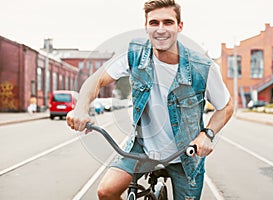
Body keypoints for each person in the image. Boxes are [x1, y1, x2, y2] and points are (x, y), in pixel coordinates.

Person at [66, 0, 234, 199]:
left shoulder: (202, 67)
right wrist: (81, 109)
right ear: (146, 27)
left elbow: (226, 107)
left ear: (179, 27)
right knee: (106, 191)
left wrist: (207, 134)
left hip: (186, 156)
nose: (160, 29)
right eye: (154, 23)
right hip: (142, 148)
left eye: (168, 22)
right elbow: (97, 80)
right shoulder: (135, 54)